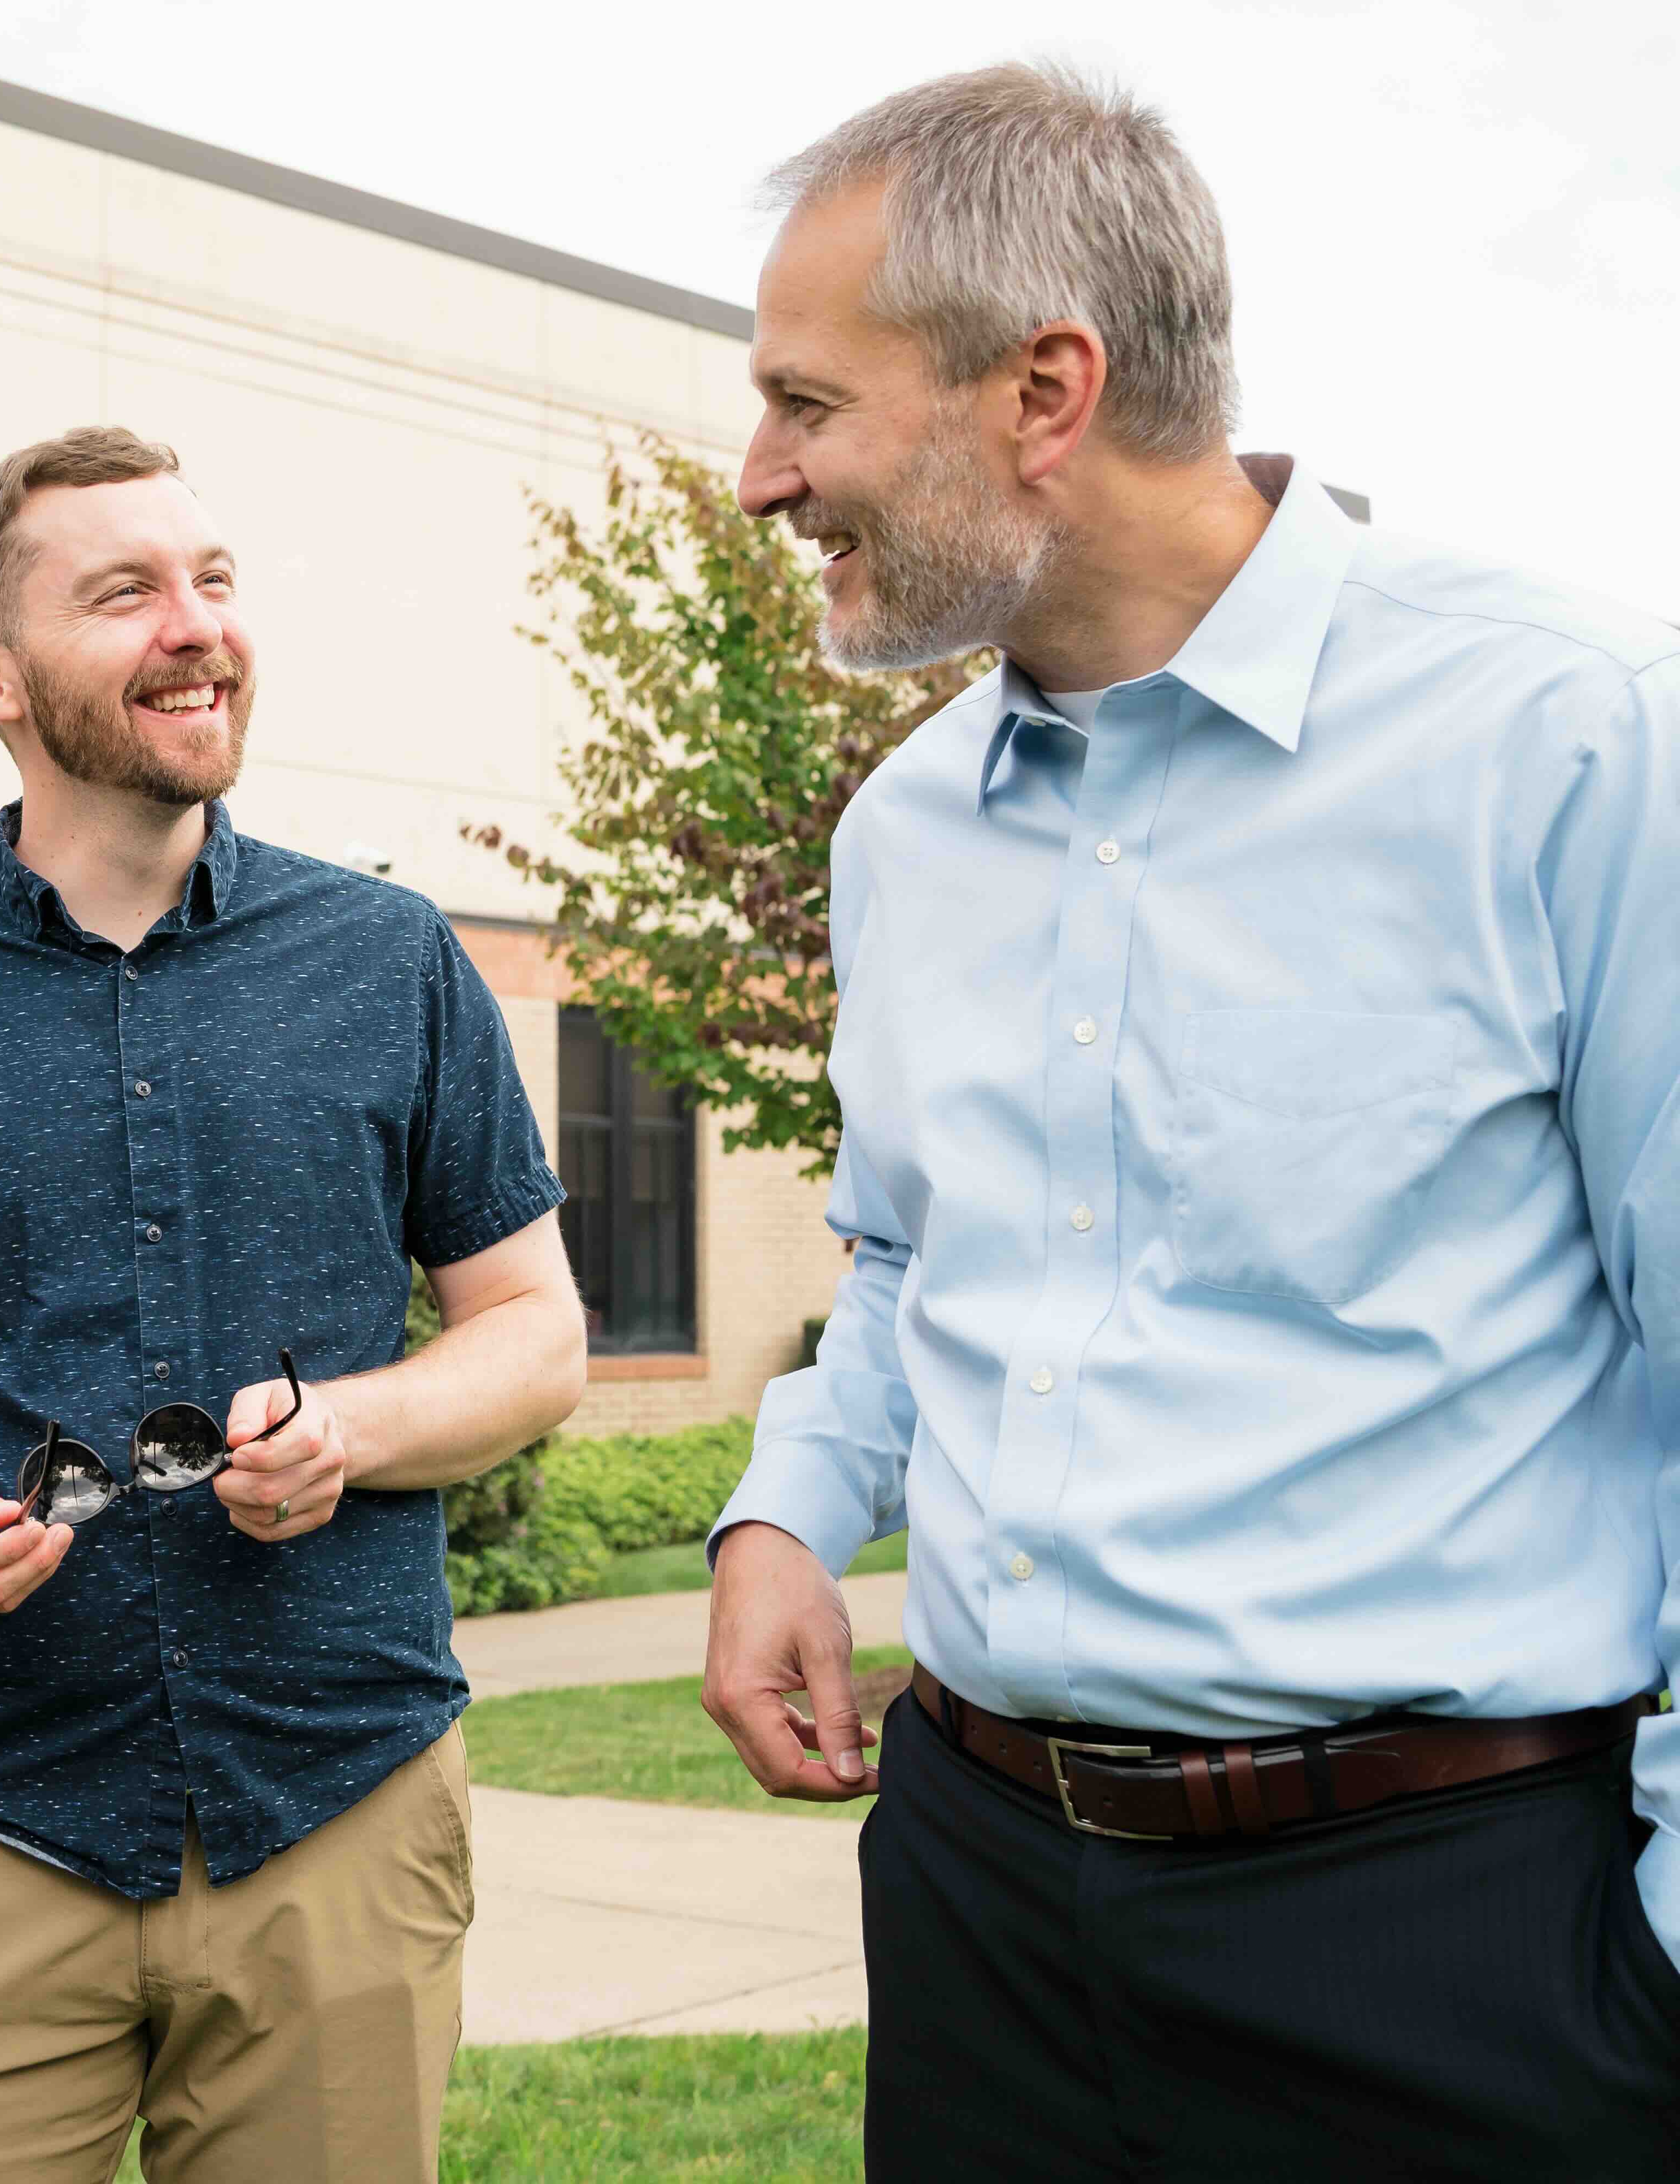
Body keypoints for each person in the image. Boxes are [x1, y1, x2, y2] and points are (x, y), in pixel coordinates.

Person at [698, 62, 1680, 2181]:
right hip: (977, 1910)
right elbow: (908, 1254)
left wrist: (1660, 1964)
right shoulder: (901, 837)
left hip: (1456, 1941)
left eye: (805, 400)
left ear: (1044, 386)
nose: (759, 478)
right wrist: (792, 1505)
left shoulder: (1585, 747)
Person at [0, 426, 590, 2183]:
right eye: (127, 594)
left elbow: (538, 1335)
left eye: (215, 580)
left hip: (332, 1804)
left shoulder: (390, 962)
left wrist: (358, 1427)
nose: (199, 626)